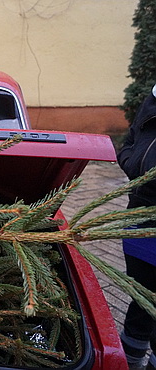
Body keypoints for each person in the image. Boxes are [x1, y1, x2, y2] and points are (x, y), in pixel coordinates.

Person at [117, 83, 156, 370]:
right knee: (141, 293)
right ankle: (130, 360)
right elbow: (132, 141)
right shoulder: (153, 99)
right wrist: (133, 163)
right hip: (141, 211)